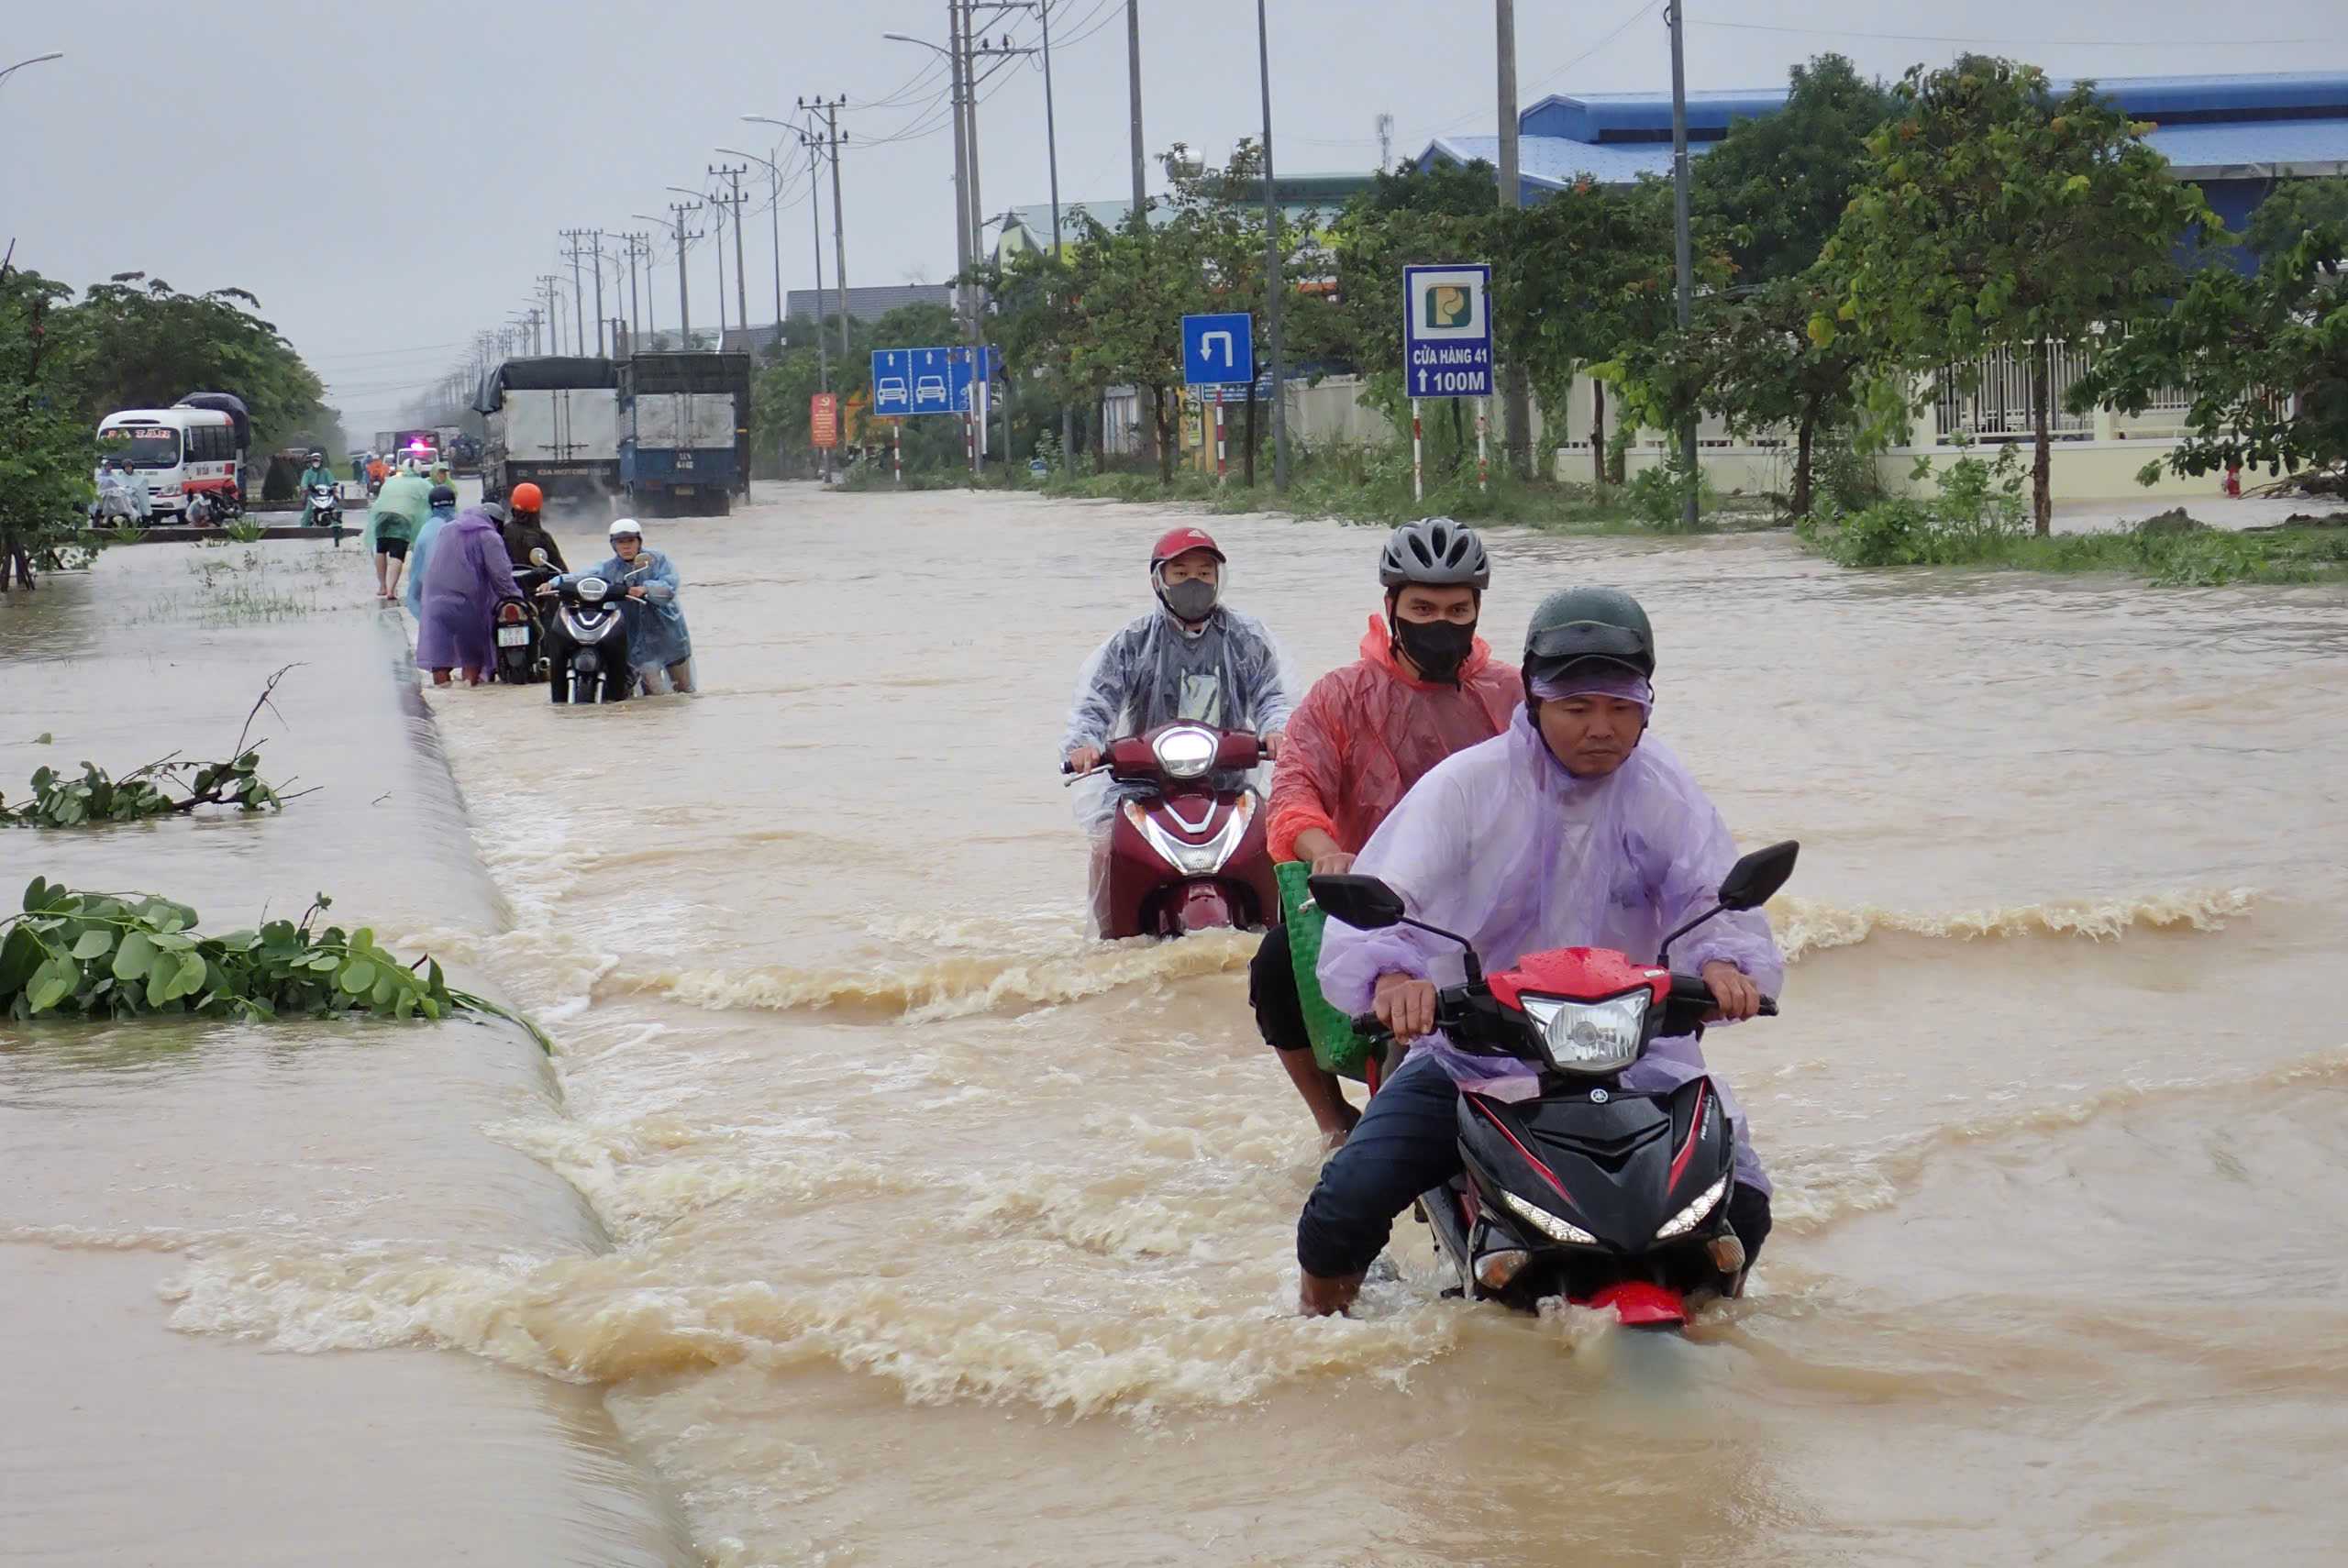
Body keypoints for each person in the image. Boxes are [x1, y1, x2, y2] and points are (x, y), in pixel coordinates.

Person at [1293, 587, 1783, 1317]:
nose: (1601, 729)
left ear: (1648, 705)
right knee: (1345, 1206)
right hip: (1478, 1055)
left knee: (1742, 1209)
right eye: (1578, 707)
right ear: (1533, 697)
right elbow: (1390, 893)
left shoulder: (1665, 789)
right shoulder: (1466, 786)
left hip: (1633, 1053)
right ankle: (1316, 1329)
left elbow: (1708, 896)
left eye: (1622, 708)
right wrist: (1394, 974)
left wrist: (1722, 965)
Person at [1252, 519, 1523, 1143]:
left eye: (1458, 609)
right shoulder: (1340, 697)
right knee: (1273, 963)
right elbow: (1293, 792)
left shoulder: (1512, 694)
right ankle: (1334, 1125)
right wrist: (1325, 851)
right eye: (1423, 607)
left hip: (1493, 898)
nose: (1441, 623)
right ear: (1391, 609)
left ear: (1478, 610)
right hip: (1377, 901)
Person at [1060, 526, 1291, 780]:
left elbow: (1271, 698)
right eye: (1181, 573)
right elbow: (1097, 704)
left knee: (1272, 819)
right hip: (1144, 785)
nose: (1194, 582)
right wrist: (1085, 744)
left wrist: (1277, 731)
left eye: (1204, 573)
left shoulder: (1245, 638)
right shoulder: (1134, 641)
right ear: (1158, 580)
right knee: (1110, 821)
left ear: (1218, 578)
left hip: (1227, 785)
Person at [547, 519, 694, 694]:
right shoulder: (608, 568)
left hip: (669, 634)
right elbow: (582, 577)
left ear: (639, 541)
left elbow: (670, 585)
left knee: (684, 690)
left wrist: (646, 588)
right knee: (653, 693)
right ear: (613, 544)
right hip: (636, 640)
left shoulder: (657, 560)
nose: (626, 546)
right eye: (620, 542)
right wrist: (554, 582)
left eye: (630, 541)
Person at [415, 503, 520, 685]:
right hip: (466, 605)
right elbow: (501, 577)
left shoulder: (447, 530)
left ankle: (444, 701)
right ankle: (469, 695)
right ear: (497, 523)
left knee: (439, 660)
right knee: (472, 656)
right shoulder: (489, 537)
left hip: (435, 602)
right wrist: (517, 600)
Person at [367, 463, 433, 602]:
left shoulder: (391, 480)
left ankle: (382, 586)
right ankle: (391, 589)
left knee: (381, 549)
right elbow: (434, 498)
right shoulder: (422, 483)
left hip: (381, 515)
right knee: (397, 554)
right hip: (402, 517)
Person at [401, 484, 462, 617]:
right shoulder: (467, 525)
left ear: (431, 506)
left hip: (435, 601)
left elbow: (416, 577)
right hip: (467, 599)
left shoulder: (426, 531)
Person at [498, 481, 568, 574]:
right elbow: (562, 573)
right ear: (539, 506)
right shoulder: (543, 537)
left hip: (507, 585)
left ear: (513, 502)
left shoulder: (500, 533)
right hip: (537, 586)